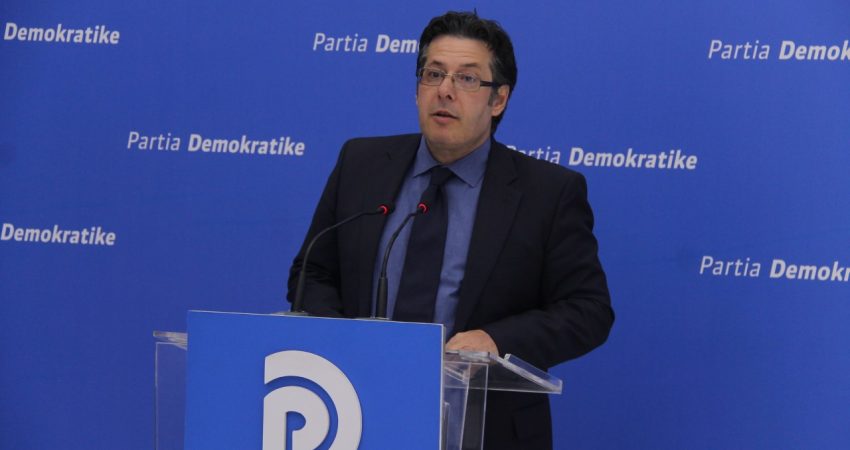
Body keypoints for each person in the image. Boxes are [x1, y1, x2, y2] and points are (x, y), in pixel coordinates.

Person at [288, 11, 614, 449]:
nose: (445, 89)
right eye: (434, 74)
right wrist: (347, 343)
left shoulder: (548, 193)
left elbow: (588, 310)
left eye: (467, 78)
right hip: (355, 413)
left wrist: (496, 340)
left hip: (485, 427)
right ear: (417, 88)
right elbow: (311, 273)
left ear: (498, 100)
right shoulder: (361, 164)